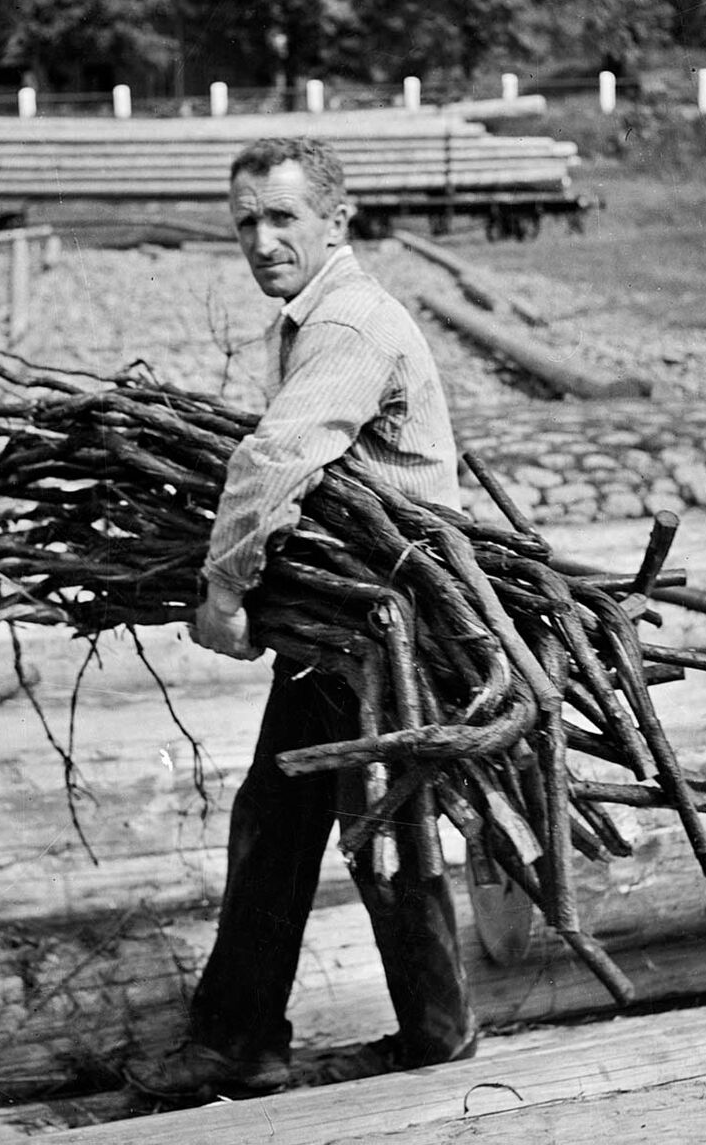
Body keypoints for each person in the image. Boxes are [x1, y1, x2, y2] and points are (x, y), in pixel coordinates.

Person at [125, 136, 476, 1102]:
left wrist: (224, 591)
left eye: (283, 217)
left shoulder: (349, 325)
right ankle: (243, 1042)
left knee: (375, 826)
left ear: (336, 219)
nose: (262, 239)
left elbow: (275, 460)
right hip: (342, 630)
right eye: (246, 221)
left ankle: (429, 1037)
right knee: (283, 819)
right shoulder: (312, 318)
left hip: (381, 633)